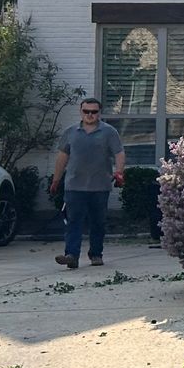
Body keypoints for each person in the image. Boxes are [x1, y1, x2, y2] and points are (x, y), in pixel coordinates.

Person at [50, 98, 124, 269]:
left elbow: (119, 153)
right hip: (74, 186)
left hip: (100, 186)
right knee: (73, 221)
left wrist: (119, 172)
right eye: (86, 111)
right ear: (80, 112)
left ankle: (96, 254)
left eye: (94, 112)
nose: (90, 115)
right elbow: (62, 157)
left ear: (99, 113)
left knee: (98, 222)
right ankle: (71, 255)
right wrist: (56, 179)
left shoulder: (109, 132)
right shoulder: (70, 132)